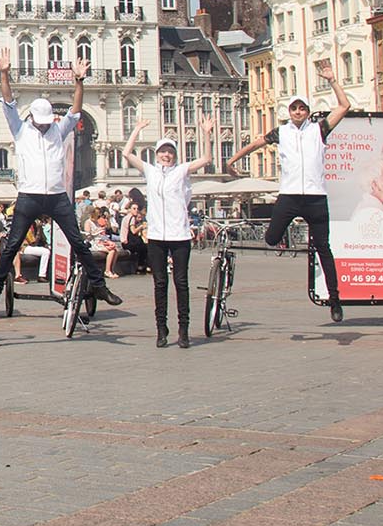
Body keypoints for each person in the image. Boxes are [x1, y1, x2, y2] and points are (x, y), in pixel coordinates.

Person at [229, 64, 352, 317]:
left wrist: (332, 80)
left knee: (324, 248)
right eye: (294, 108)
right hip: (290, 195)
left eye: (302, 108)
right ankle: (290, 243)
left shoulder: (319, 129)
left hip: (316, 197)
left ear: (308, 112)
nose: (298, 112)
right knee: (272, 239)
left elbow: (344, 107)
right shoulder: (282, 132)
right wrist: (233, 161)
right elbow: (255, 144)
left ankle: (336, 300)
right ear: (290, 111)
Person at [0, 49, 97, 314]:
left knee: (78, 242)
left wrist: (79, 82)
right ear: (32, 117)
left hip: (56, 196)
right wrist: (4, 73)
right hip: (29, 195)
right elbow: (8, 101)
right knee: (11, 246)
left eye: (47, 122)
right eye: (40, 122)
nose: (44, 126)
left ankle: (99, 285)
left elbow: (76, 113)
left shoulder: (58, 129)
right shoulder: (20, 130)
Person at [126, 116, 220, 347]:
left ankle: (184, 330)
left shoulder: (182, 171)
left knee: (181, 282)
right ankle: (161, 329)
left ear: (175, 155)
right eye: (162, 152)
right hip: (157, 236)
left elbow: (206, 159)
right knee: (159, 283)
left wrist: (206, 133)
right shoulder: (150, 171)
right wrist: (137, 129)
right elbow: (127, 154)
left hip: (179, 235)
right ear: (156, 154)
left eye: (170, 152)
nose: (166, 155)